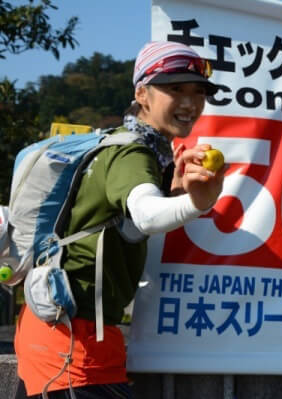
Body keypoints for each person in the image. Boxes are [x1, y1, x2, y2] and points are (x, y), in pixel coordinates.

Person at [14, 41, 225, 398]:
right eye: (175, 89)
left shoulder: (137, 149)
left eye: (198, 91)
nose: (190, 103)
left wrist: (172, 193)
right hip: (71, 346)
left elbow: (123, 221)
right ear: (142, 94)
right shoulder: (131, 153)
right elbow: (145, 214)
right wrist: (196, 204)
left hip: (66, 336)